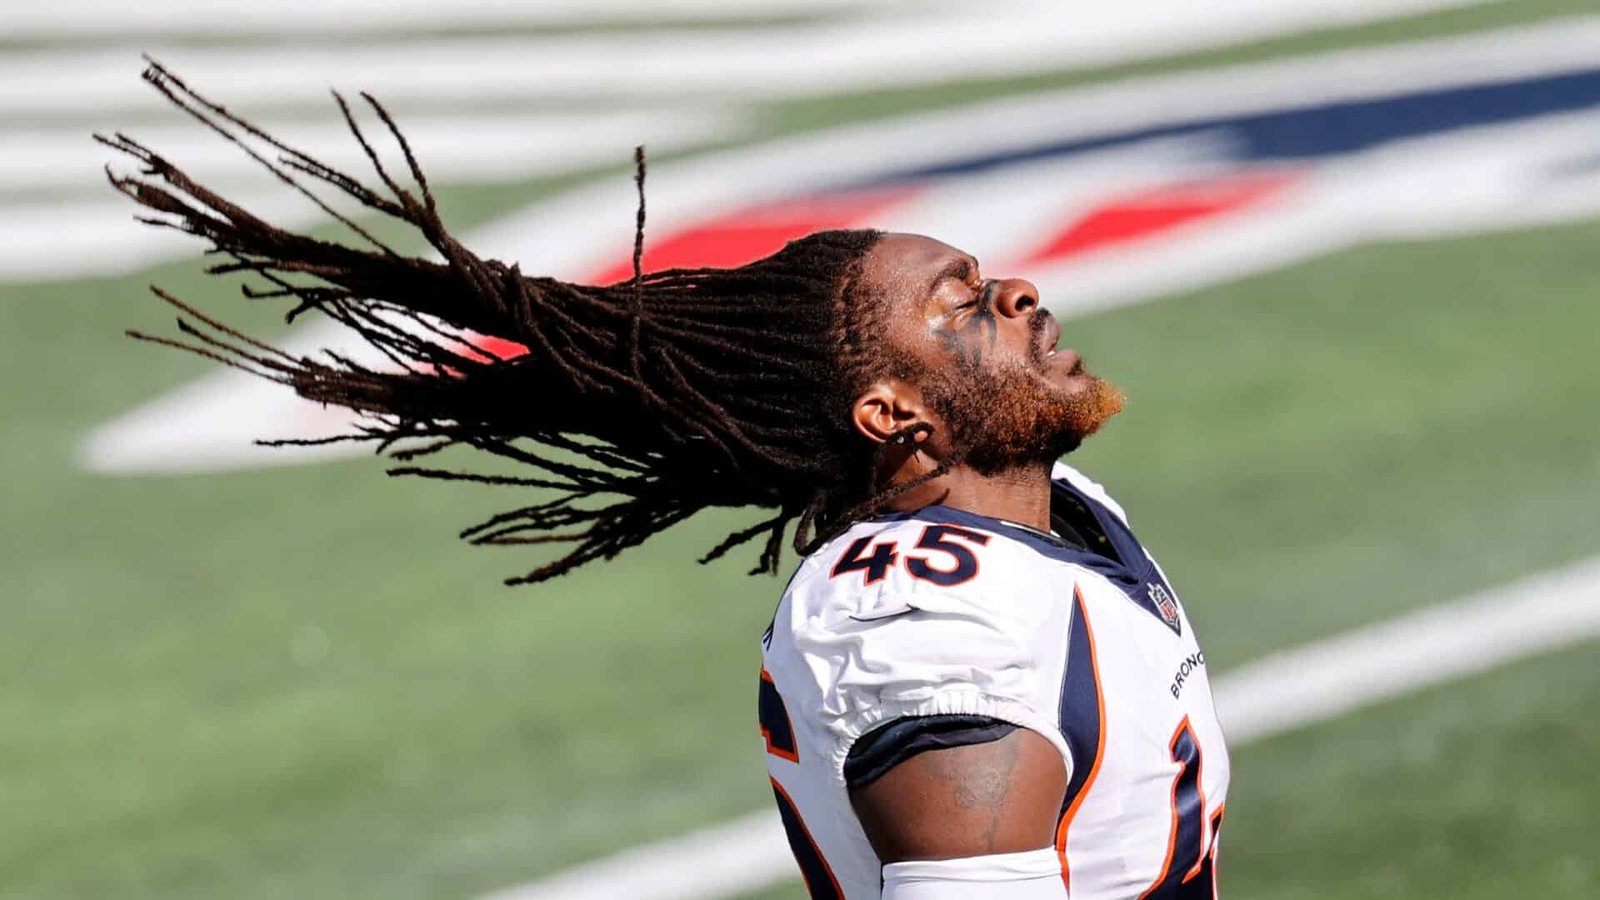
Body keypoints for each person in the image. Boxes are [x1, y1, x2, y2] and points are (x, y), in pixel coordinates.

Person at [104, 63, 1228, 898]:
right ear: (893, 416)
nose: (1019, 294)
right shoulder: (922, 606)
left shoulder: (1064, 520)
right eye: (958, 305)